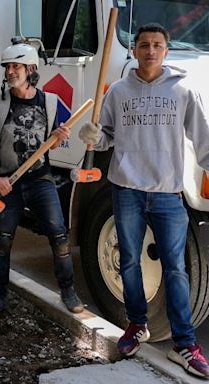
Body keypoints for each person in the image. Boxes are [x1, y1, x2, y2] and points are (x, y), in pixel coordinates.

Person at [78, 23, 209, 378]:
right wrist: (91, 135)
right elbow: (103, 138)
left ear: (166, 51)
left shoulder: (183, 89)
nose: (150, 50)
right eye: (144, 45)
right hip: (126, 190)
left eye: (157, 45)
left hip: (168, 193)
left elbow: (203, 140)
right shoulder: (118, 92)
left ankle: (185, 344)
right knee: (130, 262)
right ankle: (137, 325)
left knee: (177, 269)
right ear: (134, 50)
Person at [0, 42, 84, 322]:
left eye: (16, 67)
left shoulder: (51, 102)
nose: (10, 72)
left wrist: (58, 139)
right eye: (7, 67)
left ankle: (68, 290)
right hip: (9, 182)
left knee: (59, 235)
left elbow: (54, 146)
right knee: (3, 242)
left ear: (31, 69)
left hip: (41, 179)